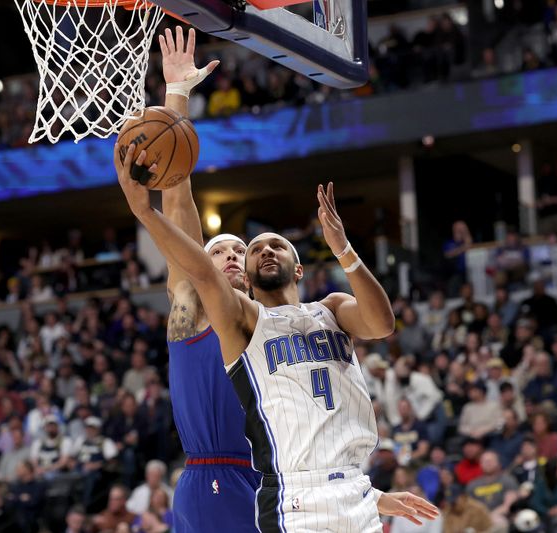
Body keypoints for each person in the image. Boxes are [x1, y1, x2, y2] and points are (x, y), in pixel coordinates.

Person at [115, 149, 439, 528]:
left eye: (276, 244)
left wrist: (343, 249)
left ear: (299, 267)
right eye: (254, 250)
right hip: (283, 492)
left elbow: (382, 324)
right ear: (246, 282)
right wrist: (145, 211)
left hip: (351, 486)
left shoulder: (331, 308)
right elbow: (197, 271)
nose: (263, 250)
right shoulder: (246, 321)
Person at [141, 27, 260, 532]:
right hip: (214, 476)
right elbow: (177, 200)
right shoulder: (192, 303)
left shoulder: (269, 319)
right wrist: (178, 96)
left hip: (274, 475)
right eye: (220, 250)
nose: (232, 255)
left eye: (241, 250)